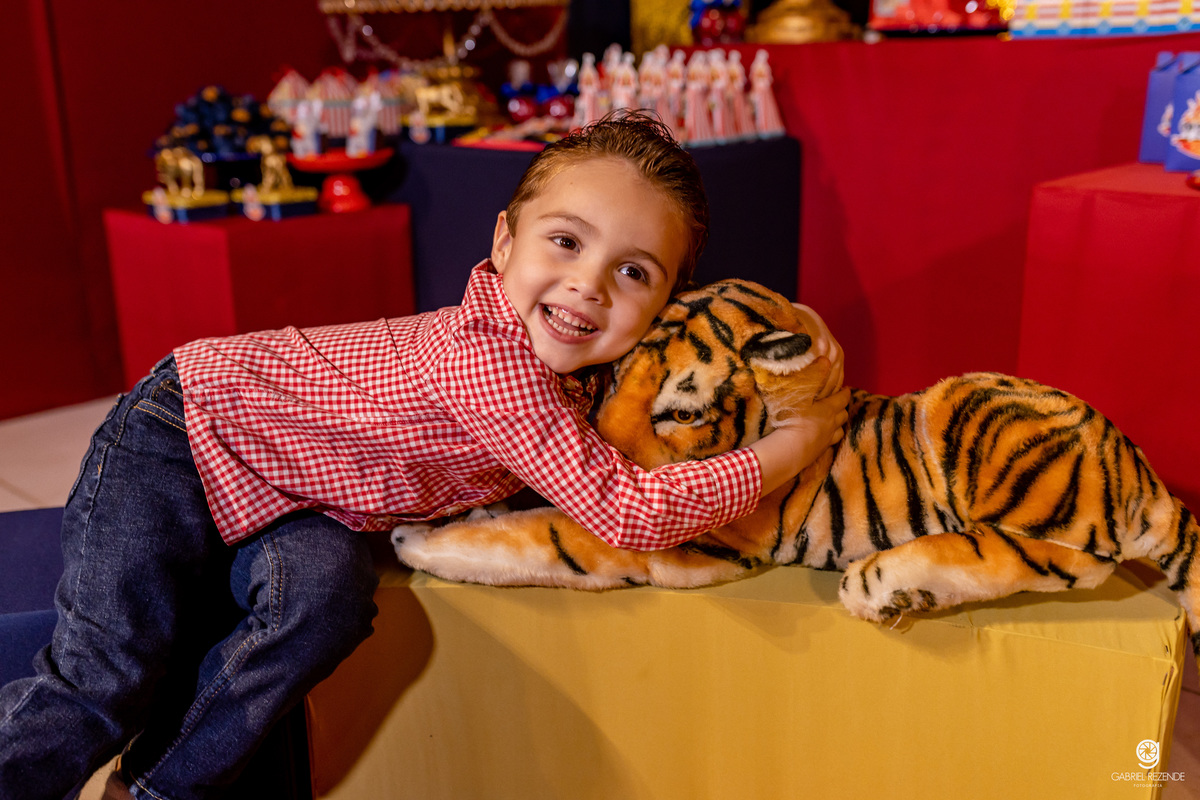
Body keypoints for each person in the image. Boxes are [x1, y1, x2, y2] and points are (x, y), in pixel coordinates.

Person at [0, 111, 849, 799]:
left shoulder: (583, 376)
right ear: (504, 241)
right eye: (566, 241)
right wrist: (793, 442)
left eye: (634, 272)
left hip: (303, 490)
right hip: (186, 431)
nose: (589, 283)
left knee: (324, 598)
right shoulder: (492, 361)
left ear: (664, 304)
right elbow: (628, 509)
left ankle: (154, 788)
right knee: (109, 670)